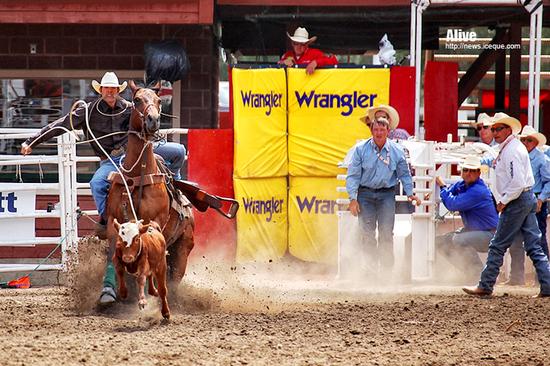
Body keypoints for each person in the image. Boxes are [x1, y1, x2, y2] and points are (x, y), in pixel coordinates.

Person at [21, 72, 187, 304]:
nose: (110, 92)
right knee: (97, 182)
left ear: (118, 90)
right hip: (111, 160)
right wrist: (33, 141)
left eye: (113, 89)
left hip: (137, 153)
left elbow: (145, 116)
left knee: (178, 152)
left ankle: (176, 188)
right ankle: (106, 218)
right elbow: (60, 125)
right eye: (106, 89)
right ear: (100, 90)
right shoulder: (87, 112)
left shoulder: (131, 106)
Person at [463, 112, 550, 298]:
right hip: (525, 198)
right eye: (493, 129)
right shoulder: (511, 148)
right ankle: (548, 284)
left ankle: (485, 284)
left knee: (498, 244)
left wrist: (503, 200)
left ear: (509, 130)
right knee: (534, 245)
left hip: (516, 200)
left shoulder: (510, 150)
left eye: (498, 129)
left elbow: (516, 182)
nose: (495, 132)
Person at [346, 105, 421, 278]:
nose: (379, 132)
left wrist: (410, 193)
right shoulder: (360, 149)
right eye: (376, 129)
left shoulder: (396, 150)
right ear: (371, 130)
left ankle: (386, 271)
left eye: (382, 129)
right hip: (365, 194)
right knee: (367, 233)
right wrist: (353, 198)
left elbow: (404, 173)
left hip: (386, 194)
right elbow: (353, 175)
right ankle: (371, 270)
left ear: (388, 130)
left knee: (387, 232)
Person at [434, 155, 498, 282]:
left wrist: (441, 187)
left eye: (472, 170)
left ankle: (478, 275)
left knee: (458, 239)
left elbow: (452, 204)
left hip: (490, 234)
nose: (468, 173)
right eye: (466, 170)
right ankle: (469, 272)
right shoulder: (462, 185)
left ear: (479, 173)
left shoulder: (478, 191)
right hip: (478, 232)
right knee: (440, 242)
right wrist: (443, 190)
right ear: (462, 171)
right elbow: (450, 192)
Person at [507, 125, 550, 285]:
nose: (525, 142)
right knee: (517, 238)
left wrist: (541, 199)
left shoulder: (542, 159)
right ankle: (518, 277)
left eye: (528, 140)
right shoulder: (524, 157)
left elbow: (549, 182)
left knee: (537, 240)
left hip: (534, 199)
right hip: (524, 198)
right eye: (523, 139)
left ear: (535, 142)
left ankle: (541, 279)